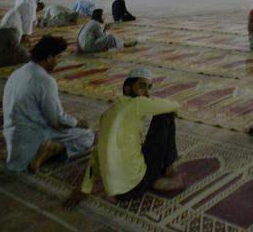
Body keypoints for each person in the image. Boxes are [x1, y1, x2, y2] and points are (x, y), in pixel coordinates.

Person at [65, 68, 185, 207]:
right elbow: (174, 105)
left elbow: (96, 154)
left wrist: (85, 189)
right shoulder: (137, 103)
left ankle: (153, 177)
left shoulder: (107, 114)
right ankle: (166, 170)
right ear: (127, 89)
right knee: (166, 114)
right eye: (142, 87)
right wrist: (170, 108)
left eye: (148, 88)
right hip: (137, 185)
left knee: (136, 145)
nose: (146, 94)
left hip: (115, 192)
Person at [3, 36, 94, 173]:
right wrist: (77, 123)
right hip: (33, 137)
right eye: (58, 58)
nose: (58, 62)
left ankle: (47, 149)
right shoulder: (45, 80)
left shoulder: (18, 72)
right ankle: (50, 149)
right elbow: (56, 120)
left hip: (12, 137)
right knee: (87, 136)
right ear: (49, 58)